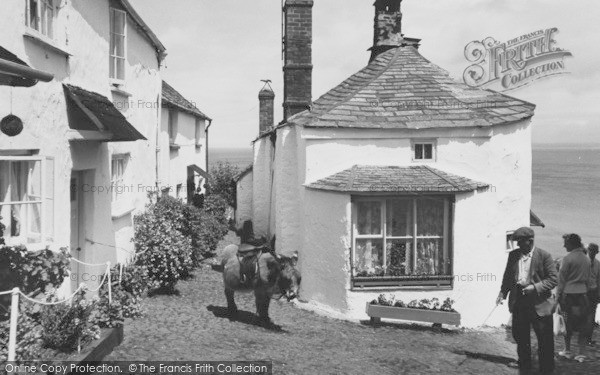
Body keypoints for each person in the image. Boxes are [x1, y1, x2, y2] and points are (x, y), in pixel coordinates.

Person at [497, 226, 558, 374]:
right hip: (519, 301)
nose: (517, 245)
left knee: (544, 339)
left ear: (530, 241)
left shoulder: (544, 256)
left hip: (540, 303)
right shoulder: (513, 255)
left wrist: (535, 287)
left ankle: (546, 369)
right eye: (517, 241)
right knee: (520, 335)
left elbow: (553, 279)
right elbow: (507, 277)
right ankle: (525, 365)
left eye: (520, 242)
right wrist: (502, 293)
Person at [556, 233, 591, 361]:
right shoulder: (586, 259)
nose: (564, 245)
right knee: (582, 324)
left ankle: (568, 350)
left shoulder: (567, 258)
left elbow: (561, 281)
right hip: (582, 295)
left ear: (571, 243)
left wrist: (557, 297)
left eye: (565, 243)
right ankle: (581, 353)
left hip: (568, 295)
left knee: (567, 323)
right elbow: (588, 279)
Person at [586, 243, 600, 345]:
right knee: (588, 315)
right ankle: (587, 338)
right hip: (588, 291)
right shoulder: (597, 263)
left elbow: (599, 279)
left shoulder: (583, 262)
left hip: (589, 292)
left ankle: (587, 338)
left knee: (590, 315)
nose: (591, 252)